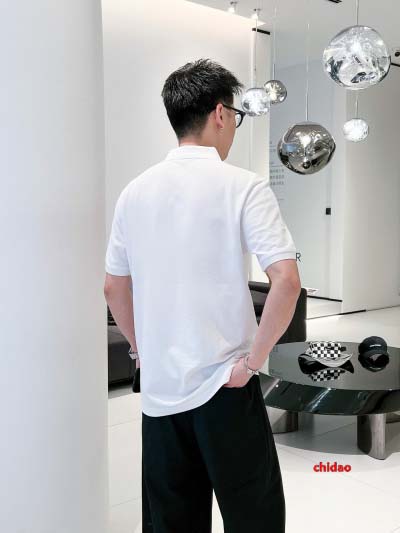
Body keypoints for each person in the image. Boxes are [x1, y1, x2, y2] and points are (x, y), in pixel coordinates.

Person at [104, 58, 301, 533]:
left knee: (171, 521)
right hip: (226, 386)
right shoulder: (243, 186)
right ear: (219, 113)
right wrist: (253, 362)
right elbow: (286, 280)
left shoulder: (134, 193)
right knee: (254, 517)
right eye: (236, 114)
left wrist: (141, 350)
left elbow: (113, 286)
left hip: (160, 393)